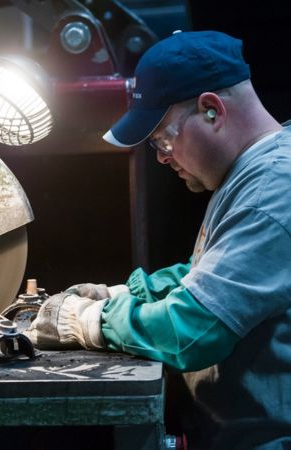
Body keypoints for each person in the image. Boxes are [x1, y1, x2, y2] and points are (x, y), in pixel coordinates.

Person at [25, 30, 291, 449]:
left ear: (210, 110)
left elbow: (193, 329)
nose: (163, 157)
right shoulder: (254, 174)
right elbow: (213, 275)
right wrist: (127, 293)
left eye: (163, 139)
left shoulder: (272, 190)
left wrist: (92, 322)